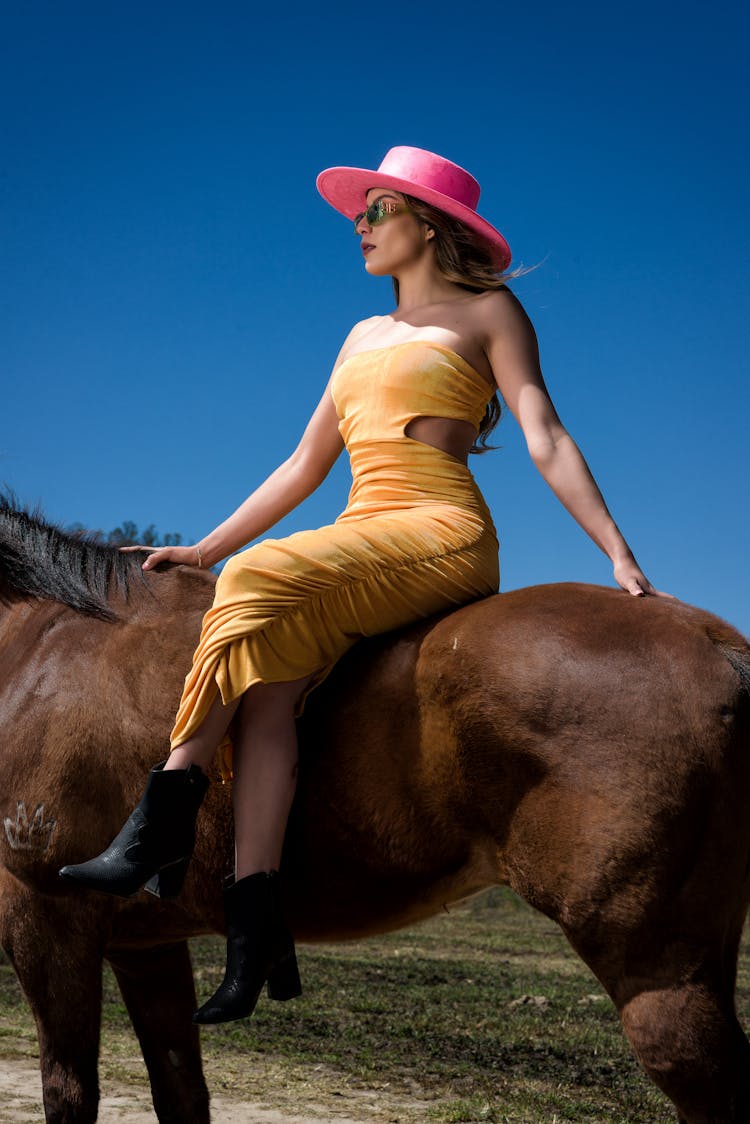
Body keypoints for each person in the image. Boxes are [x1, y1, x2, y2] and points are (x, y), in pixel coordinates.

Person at [60, 145, 662, 1024]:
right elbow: (305, 465)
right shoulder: (358, 337)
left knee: (261, 572)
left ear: (429, 224)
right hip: (356, 538)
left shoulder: (490, 312)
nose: (361, 226)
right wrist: (202, 550)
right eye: (360, 214)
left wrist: (617, 550)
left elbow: (545, 433)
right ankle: (254, 935)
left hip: (440, 533)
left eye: (377, 211)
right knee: (265, 695)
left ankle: (162, 814)